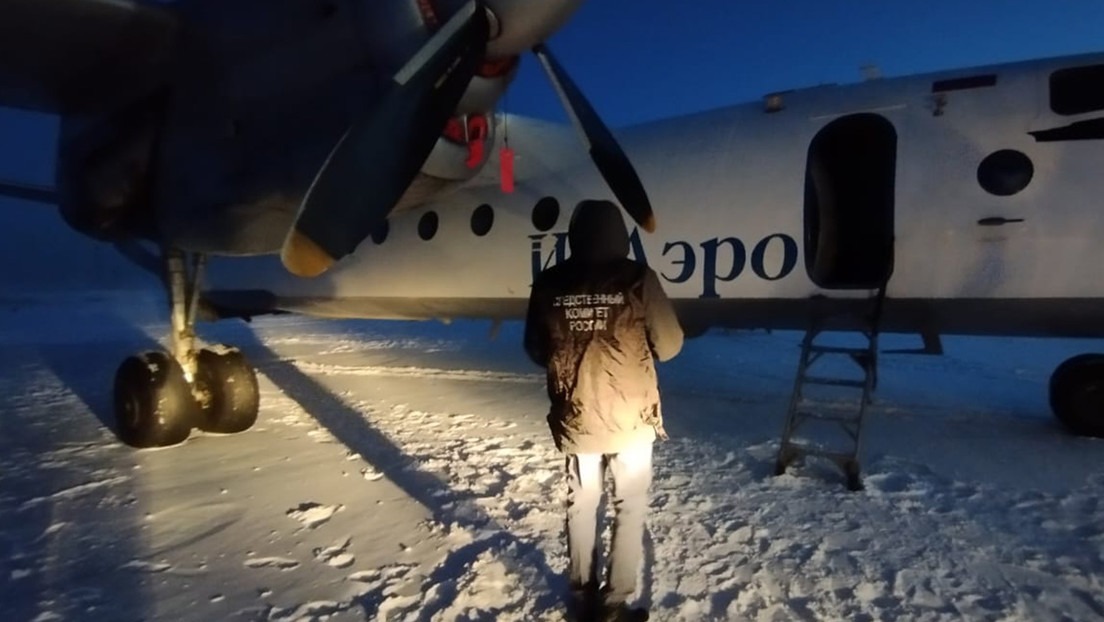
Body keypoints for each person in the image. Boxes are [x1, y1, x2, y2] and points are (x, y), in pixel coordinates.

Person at [524, 199, 684, 621]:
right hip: (631, 419)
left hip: (578, 416)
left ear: (575, 235)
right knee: (629, 506)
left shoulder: (551, 282)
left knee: (581, 502)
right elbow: (669, 346)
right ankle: (613, 604)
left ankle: (580, 595)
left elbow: (536, 349)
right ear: (619, 233)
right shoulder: (637, 277)